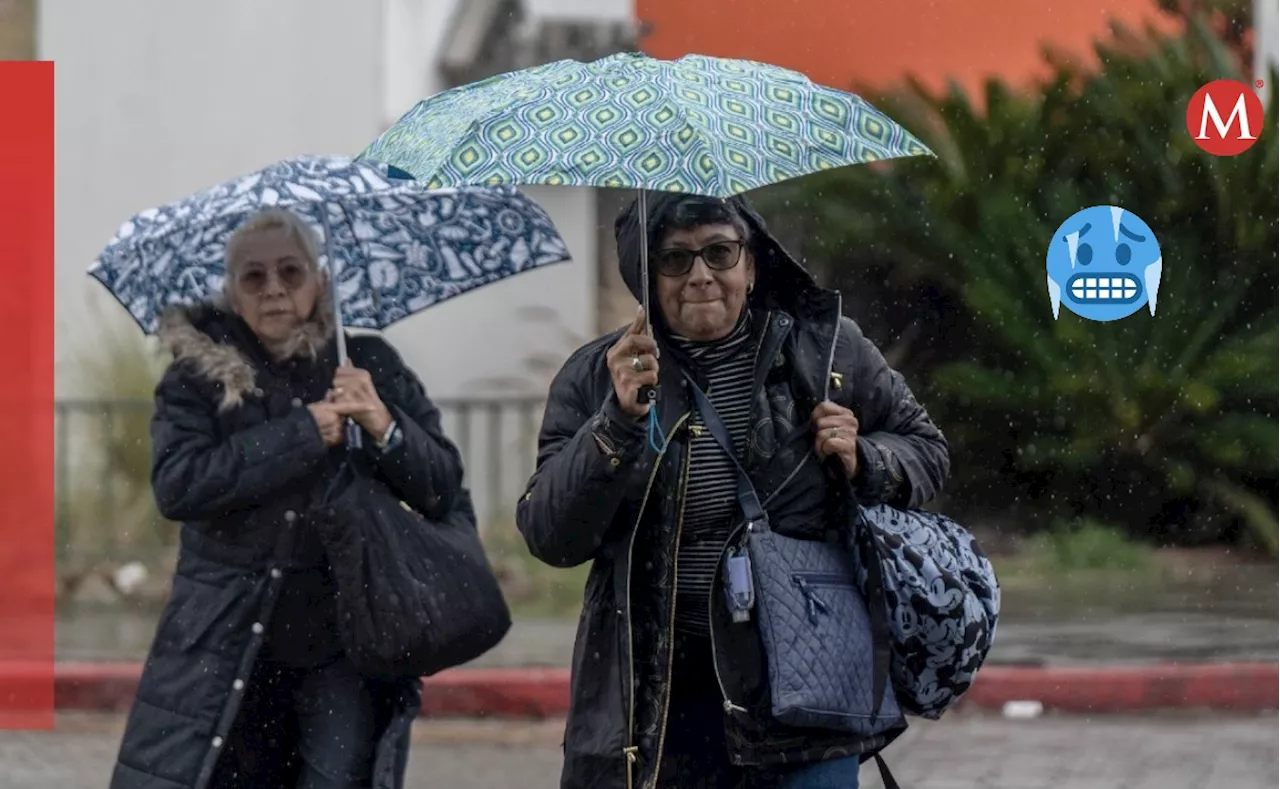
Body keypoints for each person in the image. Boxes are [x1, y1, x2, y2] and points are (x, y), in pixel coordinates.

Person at [516, 192, 951, 789]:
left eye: (719, 252)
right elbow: (550, 534)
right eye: (674, 259)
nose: (700, 276)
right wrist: (614, 421)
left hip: (803, 680)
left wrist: (864, 458)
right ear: (646, 277)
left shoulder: (825, 350)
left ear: (751, 262)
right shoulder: (598, 375)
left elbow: (925, 449)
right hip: (658, 703)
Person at [109, 209, 466, 789]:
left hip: (345, 641)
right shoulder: (196, 379)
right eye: (254, 277)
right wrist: (303, 432)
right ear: (232, 290)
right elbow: (179, 485)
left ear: (319, 282)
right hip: (225, 637)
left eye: (290, 272)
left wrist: (381, 423)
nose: (274, 288)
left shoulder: (366, 361)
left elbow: (441, 484)